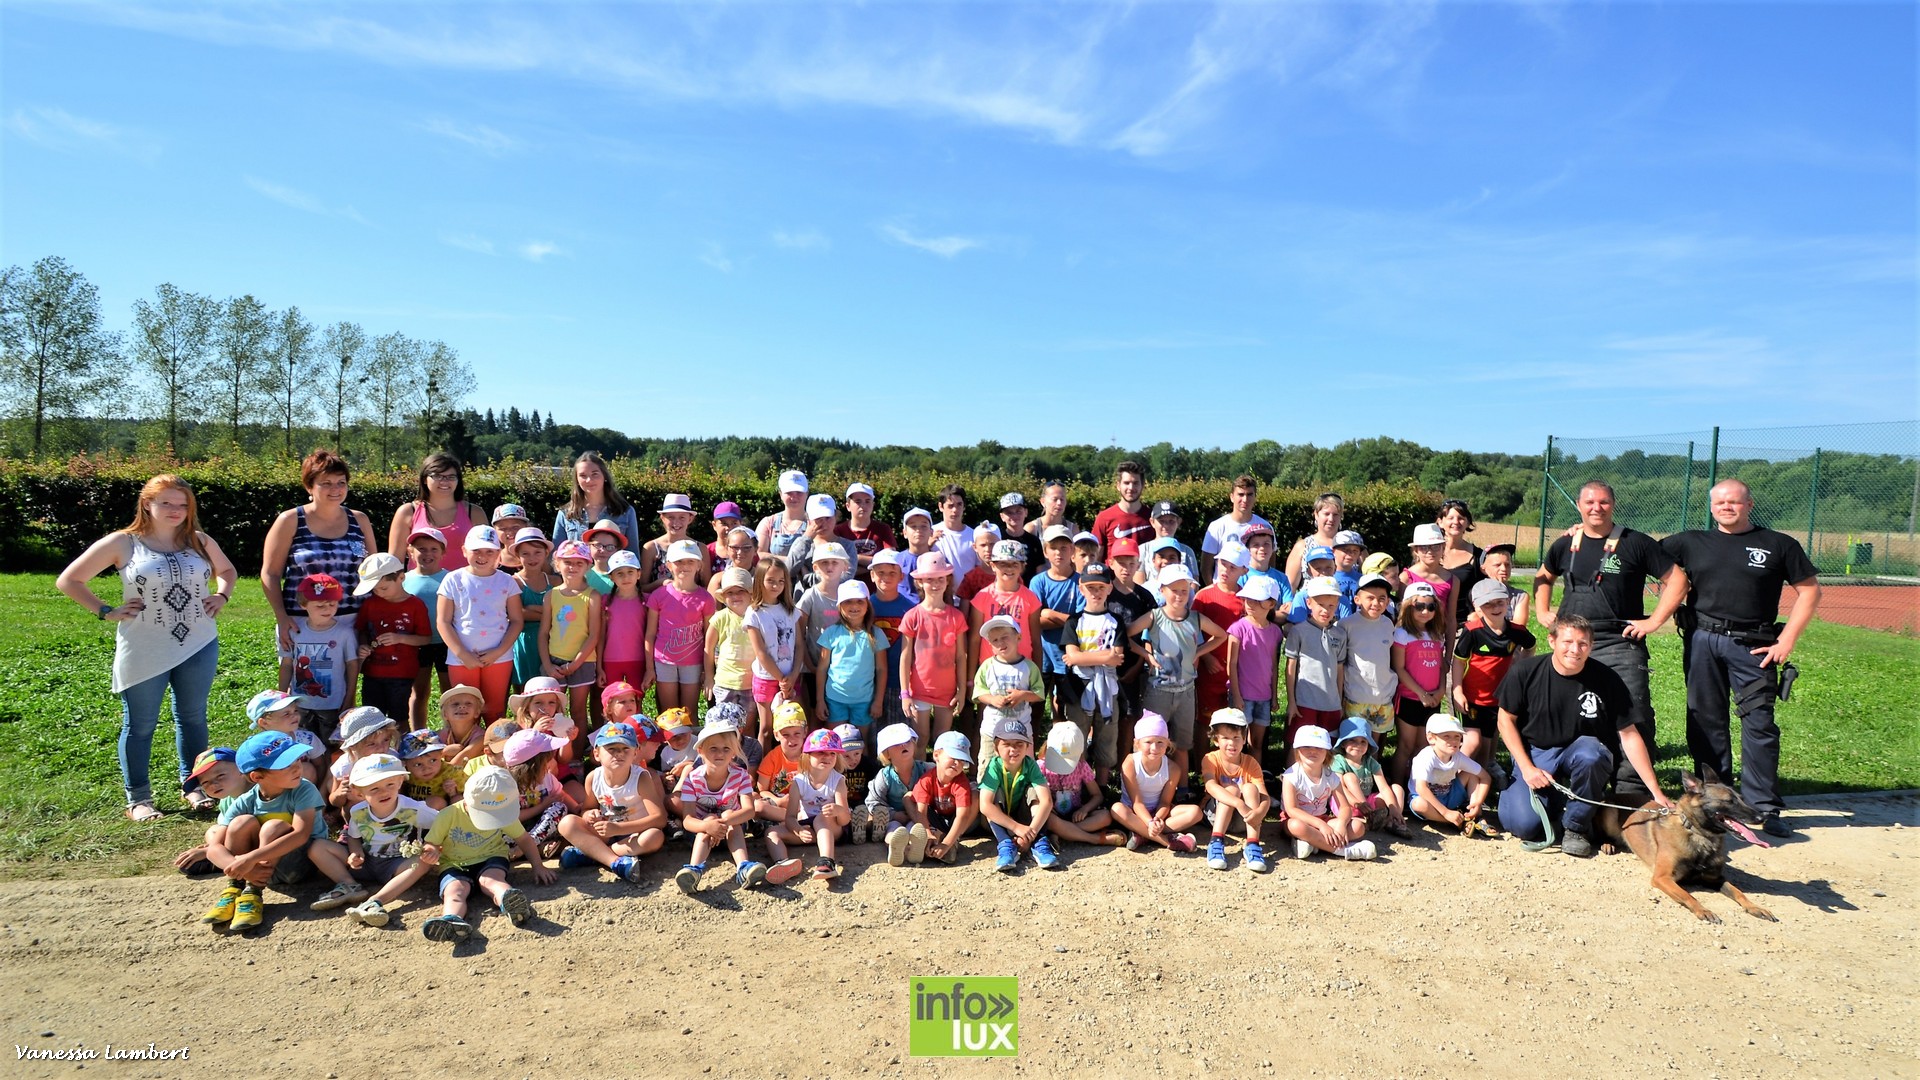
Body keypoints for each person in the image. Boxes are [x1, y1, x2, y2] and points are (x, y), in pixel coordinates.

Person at [58, 474, 237, 820]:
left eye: (182, 504)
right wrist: (106, 611)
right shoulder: (124, 543)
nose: (175, 510)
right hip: (144, 647)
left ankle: (195, 787)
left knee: (192, 718)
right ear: (147, 504)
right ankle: (138, 798)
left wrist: (221, 594)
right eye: (166, 503)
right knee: (140, 724)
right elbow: (69, 579)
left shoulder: (199, 540)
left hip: (199, 642)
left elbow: (227, 570)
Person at [1661, 478, 1821, 838]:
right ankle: (1714, 799)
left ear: (1749, 505)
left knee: (1759, 724)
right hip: (1702, 639)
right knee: (1704, 719)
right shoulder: (1690, 542)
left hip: (1753, 644)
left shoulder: (1778, 545)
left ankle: (1764, 806)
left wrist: (1787, 641)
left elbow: (1810, 591)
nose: (1726, 507)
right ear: (1711, 506)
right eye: (1719, 503)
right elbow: (1638, 551)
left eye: (1734, 502)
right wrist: (1593, 531)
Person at [1533, 480, 1688, 799]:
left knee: (1634, 713)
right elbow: (1544, 576)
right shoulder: (1565, 544)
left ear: (1613, 505)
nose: (1596, 508)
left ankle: (1629, 793)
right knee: (1569, 711)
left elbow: (1678, 579)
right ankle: (1571, 789)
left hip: (1619, 644)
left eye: (1603, 502)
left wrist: (1654, 621)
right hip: (1571, 643)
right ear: (1579, 505)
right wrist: (1542, 611)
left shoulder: (1636, 543)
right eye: (1589, 502)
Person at [1494, 614, 1672, 857]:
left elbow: (1629, 735)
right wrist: (1526, 768)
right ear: (1552, 641)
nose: (1574, 650)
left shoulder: (1607, 679)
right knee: (1523, 826)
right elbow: (1505, 721)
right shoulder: (1525, 672)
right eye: (1567, 642)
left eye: (1582, 644)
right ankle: (1552, 801)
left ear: (1592, 646)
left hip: (1580, 753)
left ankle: (1576, 827)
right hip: (1535, 753)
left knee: (1592, 754)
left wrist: (1655, 791)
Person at [201, 731, 330, 934]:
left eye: (296, 758)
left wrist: (250, 859)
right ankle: (235, 888)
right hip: (260, 869)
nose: (297, 766)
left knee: (273, 827)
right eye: (286, 764)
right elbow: (213, 847)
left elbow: (301, 835)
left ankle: (253, 891)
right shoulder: (246, 800)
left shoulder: (303, 789)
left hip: (301, 865)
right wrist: (242, 868)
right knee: (240, 823)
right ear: (257, 776)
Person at [418, 765, 555, 942]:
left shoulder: (501, 812)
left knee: (492, 880)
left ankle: (510, 901)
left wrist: (538, 866)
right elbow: (432, 843)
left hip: (491, 857)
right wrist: (431, 852)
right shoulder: (448, 815)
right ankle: (451, 920)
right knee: (455, 891)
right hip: (454, 865)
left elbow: (524, 839)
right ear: (466, 801)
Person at [261, 449, 375, 643]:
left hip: (355, 619)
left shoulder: (360, 520)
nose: (336, 489)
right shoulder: (290, 520)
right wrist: (282, 616)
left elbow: (374, 570)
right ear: (309, 487)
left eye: (341, 483)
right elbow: (270, 574)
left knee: (349, 674)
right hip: (303, 619)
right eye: (326, 483)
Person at [311, 753, 437, 927]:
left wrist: (431, 845)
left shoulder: (414, 809)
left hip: (397, 865)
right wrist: (355, 851)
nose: (384, 792)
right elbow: (353, 836)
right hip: (367, 862)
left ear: (400, 781)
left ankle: (375, 901)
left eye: (390, 784)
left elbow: (442, 824)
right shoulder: (359, 812)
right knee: (317, 847)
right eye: (374, 789)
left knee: (422, 863)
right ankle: (349, 885)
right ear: (359, 793)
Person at [1130, 565, 1229, 787]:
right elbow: (1125, 634)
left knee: (1183, 745)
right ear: (1162, 590)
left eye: (1184, 590)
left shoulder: (1196, 618)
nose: (1180, 595)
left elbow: (1221, 635)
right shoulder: (1154, 617)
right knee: (1152, 742)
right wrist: (1145, 654)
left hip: (1185, 691)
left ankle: (1182, 789)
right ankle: (1148, 788)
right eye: (1174, 590)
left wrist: (1199, 652)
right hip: (1158, 691)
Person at [673, 713, 789, 892]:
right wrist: (709, 826)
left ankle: (743, 866)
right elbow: (688, 820)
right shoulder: (692, 779)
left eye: (726, 749)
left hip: (732, 831)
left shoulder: (740, 775)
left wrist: (723, 823)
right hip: (699, 834)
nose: (720, 753)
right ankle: (694, 870)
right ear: (701, 751)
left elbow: (749, 811)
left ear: (734, 752)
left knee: (729, 815)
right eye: (713, 748)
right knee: (709, 818)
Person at [555, 723, 666, 882]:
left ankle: (594, 854)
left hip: (635, 833)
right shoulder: (593, 778)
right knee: (567, 823)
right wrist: (589, 815)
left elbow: (660, 819)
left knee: (655, 836)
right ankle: (614, 861)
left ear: (635, 753)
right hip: (605, 832)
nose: (619, 753)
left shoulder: (641, 778)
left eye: (625, 749)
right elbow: (586, 809)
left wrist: (617, 828)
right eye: (611, 749)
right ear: (597, 753)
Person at [436, 525, 524, 721]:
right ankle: (467, 750)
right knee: (464, 711)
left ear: (499, 553)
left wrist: (498, 652)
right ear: (464, 551)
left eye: (489, 551)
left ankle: (493, 749)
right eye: (476, 550)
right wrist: (462, 654)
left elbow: (517, 621)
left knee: (495, 709)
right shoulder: (452, 579)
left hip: (499, 658)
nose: (482, 556)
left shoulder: (507, 582)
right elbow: (443, 621)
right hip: (461, 659)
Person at [1452, 577, 1537, 774]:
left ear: (1508, 601)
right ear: (1478, 607)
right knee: (1473, 742)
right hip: (1471, 697)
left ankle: (1478, 783)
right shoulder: (1473, 631)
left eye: (1499, 602)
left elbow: (1531, 646)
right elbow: (1458, 661)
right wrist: (1457, 691)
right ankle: (1448, 778)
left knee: (1488, 746)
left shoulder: (1516, 631)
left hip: (1497, 697)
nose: (1495, 607)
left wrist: (1519, 666)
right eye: (1488, 604)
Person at [1060, 562, 1127, 787]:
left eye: (1100, 587)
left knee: (1106, 736)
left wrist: (1084, 657)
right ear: (1081, 589)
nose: (1096, 592)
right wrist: (1104, 657)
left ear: (1109, 588)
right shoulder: (1074, 621)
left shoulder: (1115, 621)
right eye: (1091, 587)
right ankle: (1077, 786)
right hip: (1079, 687)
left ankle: (1101, 788)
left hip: (1108, 689)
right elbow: (1072, 657)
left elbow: (1117, 657)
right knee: (1077, 735)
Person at [278, 573, 361, 743]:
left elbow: (352, 665)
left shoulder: (344, 633)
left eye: (332, 604)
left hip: (333, 705)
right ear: (303, 604)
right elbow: (287, 665)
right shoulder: (294, 631)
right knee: (304, 748)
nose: (327, 609)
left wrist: (349, 697)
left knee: (333, 748)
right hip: (300, 706)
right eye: (320, 605)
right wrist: (281, 698)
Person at [897, 553, 969, 748]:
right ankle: (919, 778)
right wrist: (905, 693)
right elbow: (905, 656)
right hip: (919, 690)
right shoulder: (912, 616)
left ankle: (940, 778)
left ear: (947, 581)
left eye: (940, 579)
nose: (935, 584)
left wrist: (962, 691)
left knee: (942, 740)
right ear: (920, 582)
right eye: (929, 579)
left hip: (947, 690)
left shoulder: (956, 617)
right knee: (919, 739)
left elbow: (961, 657)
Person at [352, 552, 431, 724]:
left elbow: (425, 639)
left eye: (384, 588)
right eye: (374, 589)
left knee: (399, 717)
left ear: (401, 577)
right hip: (372, 673)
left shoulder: (415, 605)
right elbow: (362, 630)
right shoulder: (370, 603)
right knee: (372, 718)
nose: (379, 593)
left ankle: (400, 748)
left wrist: (399, 638)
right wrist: (363, 645)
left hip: (402, 674)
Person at [1109, 713, 1202, 853]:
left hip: (1158, 813)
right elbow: (1137, 802)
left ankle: (1142, 834)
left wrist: (1157, 820)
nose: (1154, 748)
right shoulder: (1130, 763)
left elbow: (1164, 802)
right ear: (1137, 743)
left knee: (1196, 812)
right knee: (1117, 809)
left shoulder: (1173, 769)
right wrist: (1150, 822)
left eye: (1160, 742)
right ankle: (1167, 841)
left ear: (1167, 743)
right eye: (1148, 742)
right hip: (1133, 811)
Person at [1281, 725, 1376, 861]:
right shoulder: (1291, 775)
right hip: (1298, 821)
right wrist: (1321, 826)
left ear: (1327, 751)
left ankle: (1312, 843)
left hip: (1322, 819)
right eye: (1307, 746)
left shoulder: (1330, 775)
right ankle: (1344, 851)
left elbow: (1344, 807)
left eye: (1319, 747)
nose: (1313, 751)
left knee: (1358, 827)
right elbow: (1292, 810)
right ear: (1298, 749)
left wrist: (1342, 825)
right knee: (1296, 826)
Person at [978, 716, 1061, 872]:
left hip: (1029, 824)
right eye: (1007, 744)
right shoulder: (994, 767)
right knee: (993, 796)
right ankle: (1005, 844)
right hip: (1003, 822)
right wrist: (1016, 828)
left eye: (1019, 744)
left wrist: (1030, 834)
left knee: (1033, 791)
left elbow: (1047, 801)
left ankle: (1039, 843)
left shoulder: (1031, 765)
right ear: (996, 748)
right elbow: (984, 806)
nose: (1013, 749)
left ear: (1027, 746)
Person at [771, 728, 853, 881]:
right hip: (810, 829)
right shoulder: (799, 782)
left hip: (833, 828)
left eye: (832, 753)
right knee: (771, 832)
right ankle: (782, 863)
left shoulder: (838, 780)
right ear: (807, 756)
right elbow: (790, 817)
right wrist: (798, 830)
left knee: (821, 819)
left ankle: (827, 863)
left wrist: (839, 810)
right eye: (821, 752)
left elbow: (845, 820)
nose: (827, 757)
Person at [646, 539, 717, 714]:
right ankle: (669, 742)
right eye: (679, 562)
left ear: (699, 565)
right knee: (669, 712)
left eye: (690, 561)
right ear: (669, 565)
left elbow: (709, 639)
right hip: (664, 661)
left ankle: (691, 742)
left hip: (692, 662)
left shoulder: (706, 598)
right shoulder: (659, 595)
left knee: (689, 711)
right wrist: (649, 668)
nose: (684, 566)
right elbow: (650, 634)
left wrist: (708, 673)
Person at [385, 452, 484, 571]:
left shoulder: (475, 513)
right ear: (425, 479)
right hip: (419, 589)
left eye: (451, 477)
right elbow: (395, 561)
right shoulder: (407, 512)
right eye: (437, 476)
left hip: (464, 587)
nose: (444, 481)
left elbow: (488, 554)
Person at [1200, 708, 1271, 872]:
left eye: (1236, 737)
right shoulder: (1210, 759)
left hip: (1245, 818)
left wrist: (1260, 811)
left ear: (1244, 739)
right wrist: (1239, 803)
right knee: (1231, 789)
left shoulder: (1251, 762)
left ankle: (1252, 844)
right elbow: (1210, 786)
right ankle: (1216, 841)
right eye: (1225, 737)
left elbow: (1264, 795)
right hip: (1216, 815)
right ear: (1216, 740)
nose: (1231, 743)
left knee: (1250, 788)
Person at [1283, 577, 1348, 749]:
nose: (1325, 610)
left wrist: (1339, 702)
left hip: (1331, 703)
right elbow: (1290, 667)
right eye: (1320, 604)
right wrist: (1291, 702)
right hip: (1305, 702)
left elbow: (1339, 669)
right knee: (1299, 745)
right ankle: (1293, 776)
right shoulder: (1298, 631)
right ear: (1309, 603)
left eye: (1331, 606)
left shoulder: (1340, 634)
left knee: (1328, 747)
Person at [540, 539, 601, 722]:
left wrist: (575, 664)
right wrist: (548, 665)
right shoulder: (552, 595)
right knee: (553, 712)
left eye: (579, 563)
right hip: (554, 661)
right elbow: (543, 633)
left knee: (578, 711)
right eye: (567, 562)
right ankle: (554, 750)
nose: (573, 567)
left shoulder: (592, 596)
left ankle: (576, 750)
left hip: (583, 662)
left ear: (587, 566)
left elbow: (594, 635)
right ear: (557, 564)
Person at [1038, 721, 1124, 849]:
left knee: (1105, 816)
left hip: (1076, 815)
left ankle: (1061, 833)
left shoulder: (1082, 766)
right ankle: (1094, 839)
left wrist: (1085, 809)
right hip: (1053, 815)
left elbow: (1097, 795)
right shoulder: (1041, 767)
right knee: (1049, 820)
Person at [743, 558, 801, 742]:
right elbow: (761, 652)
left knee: (793, 724)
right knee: (767, 729)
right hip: (767, 678)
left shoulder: (791, 610)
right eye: (770, 580)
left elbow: (800, 645)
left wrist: (791, 676)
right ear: (760, 580)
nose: (776, 585)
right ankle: (761, 770)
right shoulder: (754, 613)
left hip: (791, 676)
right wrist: (781, 679)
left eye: (781, 581)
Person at [1405, 714, 1493, 836]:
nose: (1453, 741)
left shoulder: (1458, 757)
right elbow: (1421, 788)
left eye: (1457, 736)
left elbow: (1485, 777)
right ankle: (1454, 821)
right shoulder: (1425, 757)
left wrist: (1478, 802)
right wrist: (1446, 813)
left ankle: (1472, 812)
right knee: (1418, 805)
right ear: (1431, 738)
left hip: (1448, 794)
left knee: (1472, 774)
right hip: (1428, 801)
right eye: (1447, 736)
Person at [817, 581, 889, 728]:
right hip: (834, 698)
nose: (854, 606)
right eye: (848, 601)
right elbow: (822, 668)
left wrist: (878, 701)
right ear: (839, 606)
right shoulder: (831, 633)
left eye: (859, 601)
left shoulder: (876, 634)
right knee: (836, 743)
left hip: (864, 700)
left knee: (861, 743)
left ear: (867, 604)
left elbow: (881, 669)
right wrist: (820, 700)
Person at [402, 525, 452, 730]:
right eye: (421, 548)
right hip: (417, 644)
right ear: (410, 552)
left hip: (446, 642)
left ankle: (451, 732)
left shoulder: (451, 578)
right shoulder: (404, 580)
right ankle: (418, 734)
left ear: (443, 552)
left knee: (449, 692)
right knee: (419, 692)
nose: (427, 553)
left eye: (434, 549)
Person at [908, 731, 981, 865]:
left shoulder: (961, 782)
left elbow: (962, 816)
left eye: (961, 760)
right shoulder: (927, 779)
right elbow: (921, 811)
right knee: (908, 797)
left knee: (976, 796)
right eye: (953, 757)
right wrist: (927, 832)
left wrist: (947, 844)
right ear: (936, 755)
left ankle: (954, 839)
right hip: (938, 818)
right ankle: (930, 836)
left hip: (959, 822)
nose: (957, 763)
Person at [1332, 717, 1409, 838]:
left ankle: (1393, 820)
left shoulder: (1370, 762)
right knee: (1349, 777)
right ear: (1343, 743)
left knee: (1397, 788)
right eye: (1353, 740)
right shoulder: (1338, 761)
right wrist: (1358, 804)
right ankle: (1367, 819)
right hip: (1346, 804)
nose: (1358, 745)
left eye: (1363, 741)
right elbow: (1339, 788)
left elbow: (1383, 788)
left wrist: (1393, 808)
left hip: (1368, 804)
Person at [551, 451, 639, 555]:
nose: (589, 480)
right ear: (577, 480)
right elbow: (556, 555)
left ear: (604, 476)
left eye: (595, 474)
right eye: (583, 475)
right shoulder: (566, 514)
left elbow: (632, 553)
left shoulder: (625, 511)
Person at [704, 565, 758, 713]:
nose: (735, 596)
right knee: (725, 724)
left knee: (748, 724)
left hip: (751, 681)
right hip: (725, 682)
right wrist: (709, 677)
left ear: (751, 594)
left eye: (741, 591)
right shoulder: (720, 618)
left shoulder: (758, 616)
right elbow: (708, 649)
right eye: (730, 592)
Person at [1201, 474, 1271, 582]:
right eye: (1241, 494)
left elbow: (1270, 563)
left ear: (1255, 497)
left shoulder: (1265, 527)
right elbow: (1206, 567)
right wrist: (1214, 591)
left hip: (1255, 593)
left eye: (1249, 494)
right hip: (1223, 592)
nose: (1245, 499)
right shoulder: (1217, 526)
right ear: (1232, 497)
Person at [639, 493, 708, 592]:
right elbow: (642, 587)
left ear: (690, 518)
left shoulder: (700, 548)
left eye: (682, 517)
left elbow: (707, 586)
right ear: (662, 518)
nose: (676, 522)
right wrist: (661, 583)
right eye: (671, 517)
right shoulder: (651, 548)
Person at [1435, 499, 1486, 630]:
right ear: (1440, 522)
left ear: (1468, 522)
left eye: (1461, 518)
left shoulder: (1479, 556)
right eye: (1450, 518)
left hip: (1466, 625)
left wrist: (1478, 613)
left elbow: (1487, 589)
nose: (1456, 522)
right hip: (1430, 623)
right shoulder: (1428, 553)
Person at [1284, 492, 1345, 589]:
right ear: (1316, 514)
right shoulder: (1302, 546)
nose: (1331, 519)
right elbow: (1290, 585)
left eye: (1336, 514)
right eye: (1326, 514)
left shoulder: (1351, 544)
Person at [836, 483, 897, 573]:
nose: (863, 505)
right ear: (848, 506)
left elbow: (890, 561)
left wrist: (856, 558)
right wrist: (875, 567)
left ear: (873, 505)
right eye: (858, 501)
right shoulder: (838, 531)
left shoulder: (883, 529)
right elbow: (837, 567)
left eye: (867, 501)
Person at [757, 469, 812, 564]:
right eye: (789, 492)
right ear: (780, 494)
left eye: (799, 492)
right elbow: (758, 554)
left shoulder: (814, 523)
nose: (794, 497)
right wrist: (791, 561)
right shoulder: (768, 523)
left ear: (807, 493)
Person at [930, 484, 978, 582]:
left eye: (959, 504)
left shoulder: (974, 535)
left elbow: (980, 568)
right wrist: (927, 545)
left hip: (969, 596)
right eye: (950, 506)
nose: (955, 510)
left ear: (964, 506)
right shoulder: (930, 533)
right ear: (940, 506)